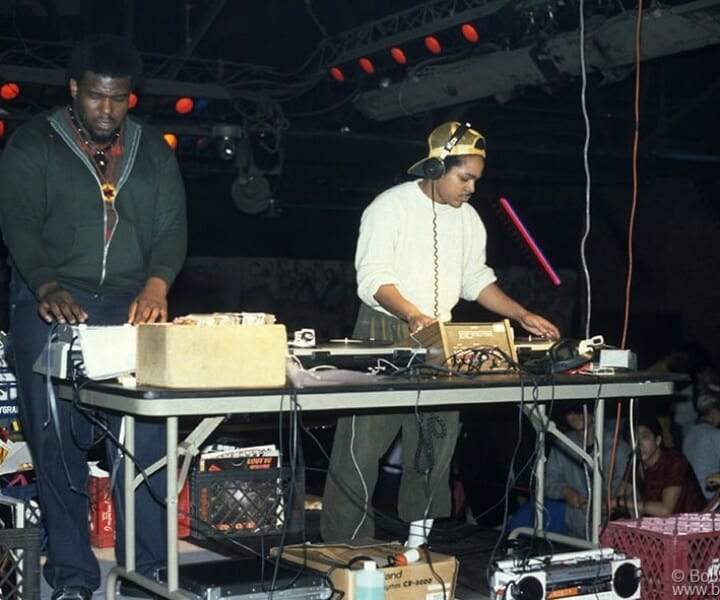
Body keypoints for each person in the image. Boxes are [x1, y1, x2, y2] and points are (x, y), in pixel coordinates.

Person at [0, 35, 187, 600]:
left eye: (120, 99)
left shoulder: (153, 150)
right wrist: (47, 284)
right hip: (52, 297)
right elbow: (19, 225)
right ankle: (73, 577)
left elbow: (171, 226)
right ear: (74, 89)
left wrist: (157, 284)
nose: (108, 110)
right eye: (97, 98)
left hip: (131, 302)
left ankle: (146, 574)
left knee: (148, 442)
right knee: (58, 447)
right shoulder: (33, 144)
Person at [320, 121, 561, 545]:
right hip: (384, 329)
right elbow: (373, 278)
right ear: (436, 168)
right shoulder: (388, 207)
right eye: (464, 177)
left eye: (475, 180)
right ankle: (347, 544)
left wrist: (521, 313)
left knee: (435, 440)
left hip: (439, 333)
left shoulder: (468, 219)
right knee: (361, 446)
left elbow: (476, 280)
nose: (471, 188)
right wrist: (412, 315)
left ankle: (418, 542)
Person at [544, 402, 631, 539]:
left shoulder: (618, 448)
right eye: (570, 412)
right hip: (576, 534)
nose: (575, 416)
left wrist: (605, 505)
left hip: (613, 535)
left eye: (580, 410)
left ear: (594, 410)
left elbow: (630, 493)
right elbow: (547, 480)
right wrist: (565, 491)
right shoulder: (563, 444)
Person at [611, 414, 705, 517]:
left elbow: (665, 510)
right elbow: (619, 497)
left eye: (644, 437)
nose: (638, 444)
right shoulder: (635, 463)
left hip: (691, 526)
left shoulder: (675, 462)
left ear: (658, 440)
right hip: (659, 527)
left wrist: (624, 503)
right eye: (633, 438)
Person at [682, 392, 720, 501]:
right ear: (713, 413)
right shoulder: (715, 434)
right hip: (710, 494)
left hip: (692, 492)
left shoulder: (690, 432)